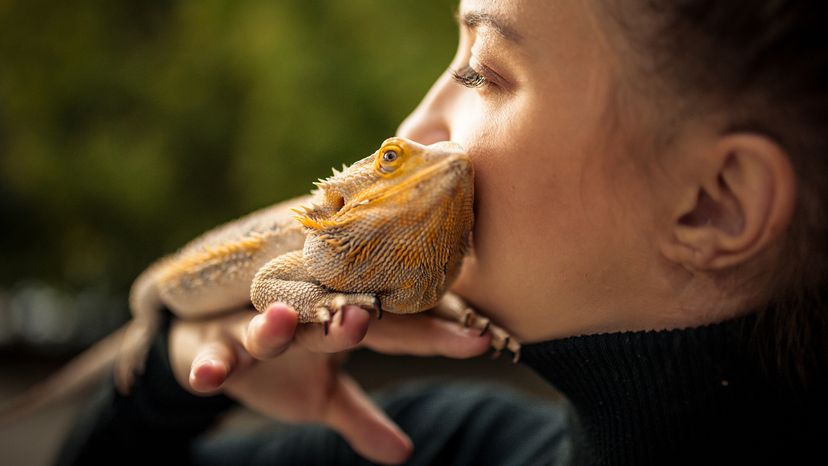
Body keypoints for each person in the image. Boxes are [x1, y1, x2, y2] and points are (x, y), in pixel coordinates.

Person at [57, 0, 827, 464]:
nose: (417, 127)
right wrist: (164, 381)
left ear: (716, 201)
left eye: (483, 73)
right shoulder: (428, 441)